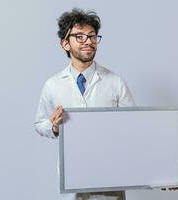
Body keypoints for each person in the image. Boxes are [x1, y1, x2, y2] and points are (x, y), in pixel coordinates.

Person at [34, 8, 135, 200]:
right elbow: (40, 124)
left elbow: (134, 128)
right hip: (72, 175)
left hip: (110, 175)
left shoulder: (115, 82)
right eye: (79, 37)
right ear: (65, 43)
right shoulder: (53, 84)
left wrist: (160, 174)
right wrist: (54, 127)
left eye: (92, 36)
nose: (88, 41)